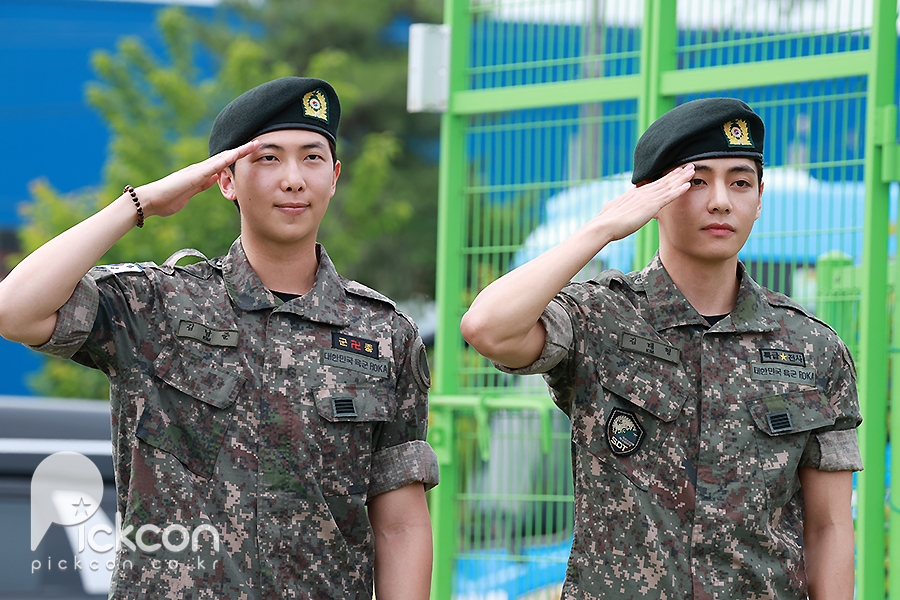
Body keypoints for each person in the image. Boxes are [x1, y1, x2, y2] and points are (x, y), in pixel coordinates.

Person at [0, 76, 439, 599]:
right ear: (225, 180)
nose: (294, 179)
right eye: (268, 158)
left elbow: (400, 524)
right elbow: (15, 311)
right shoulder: (157, 307)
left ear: (334, 176)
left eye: (312, 158)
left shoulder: (382, 334)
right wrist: (141, 203)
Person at [460, 98, 861, 599]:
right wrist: (602, 229)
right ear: (653, 197)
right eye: (696, 182)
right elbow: (487, 328)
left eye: (740, 182)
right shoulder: (602, 319)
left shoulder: (811, 346)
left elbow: (829, 527)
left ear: (760, 198)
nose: (721, 202)